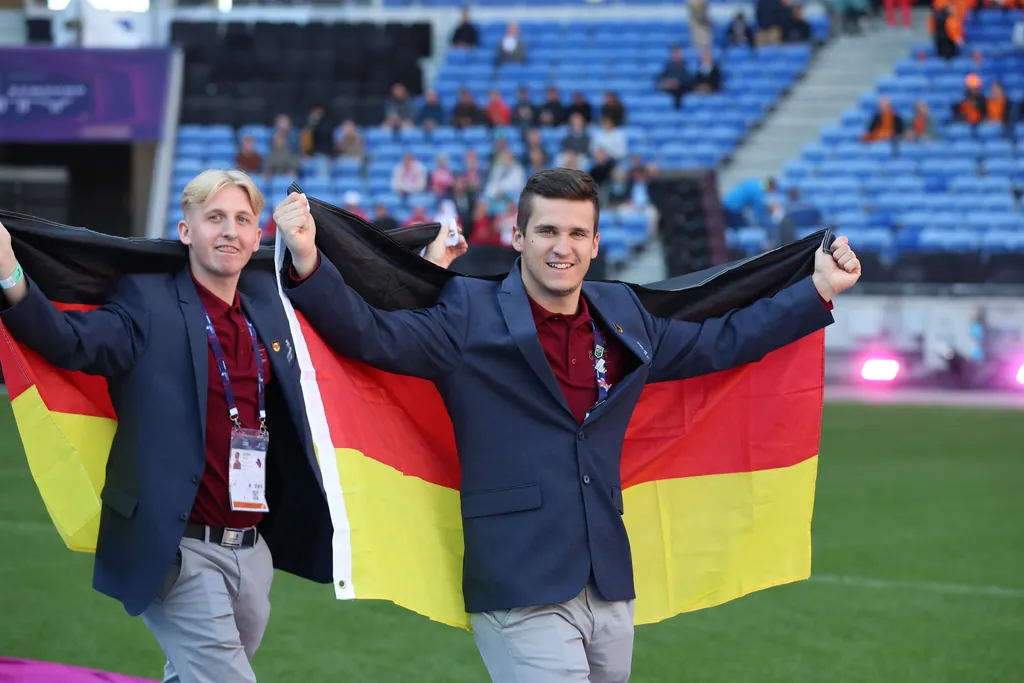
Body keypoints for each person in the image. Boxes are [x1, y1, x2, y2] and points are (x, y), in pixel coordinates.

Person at [273, 168, 861, 683]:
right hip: (519, 583)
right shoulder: (468, 313)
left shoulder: (623, 314)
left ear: (596, 243)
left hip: (607, 581)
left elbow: (721, 342)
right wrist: (308, 261)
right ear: (517, 237)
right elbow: (372, 335)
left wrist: (818, 291)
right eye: (548, 231)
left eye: (577, 233)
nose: (563, 247)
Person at [0, 169, 464, 683]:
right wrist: (7, 271)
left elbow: (355, 316)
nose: (230, 231)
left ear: (257, 235)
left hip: (251, 550)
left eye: (243, 219)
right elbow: (71, 341)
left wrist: (428, 267)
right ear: (185, 230)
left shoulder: (269, 300)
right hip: (177, 548)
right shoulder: (147, 301)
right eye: (215, 218)